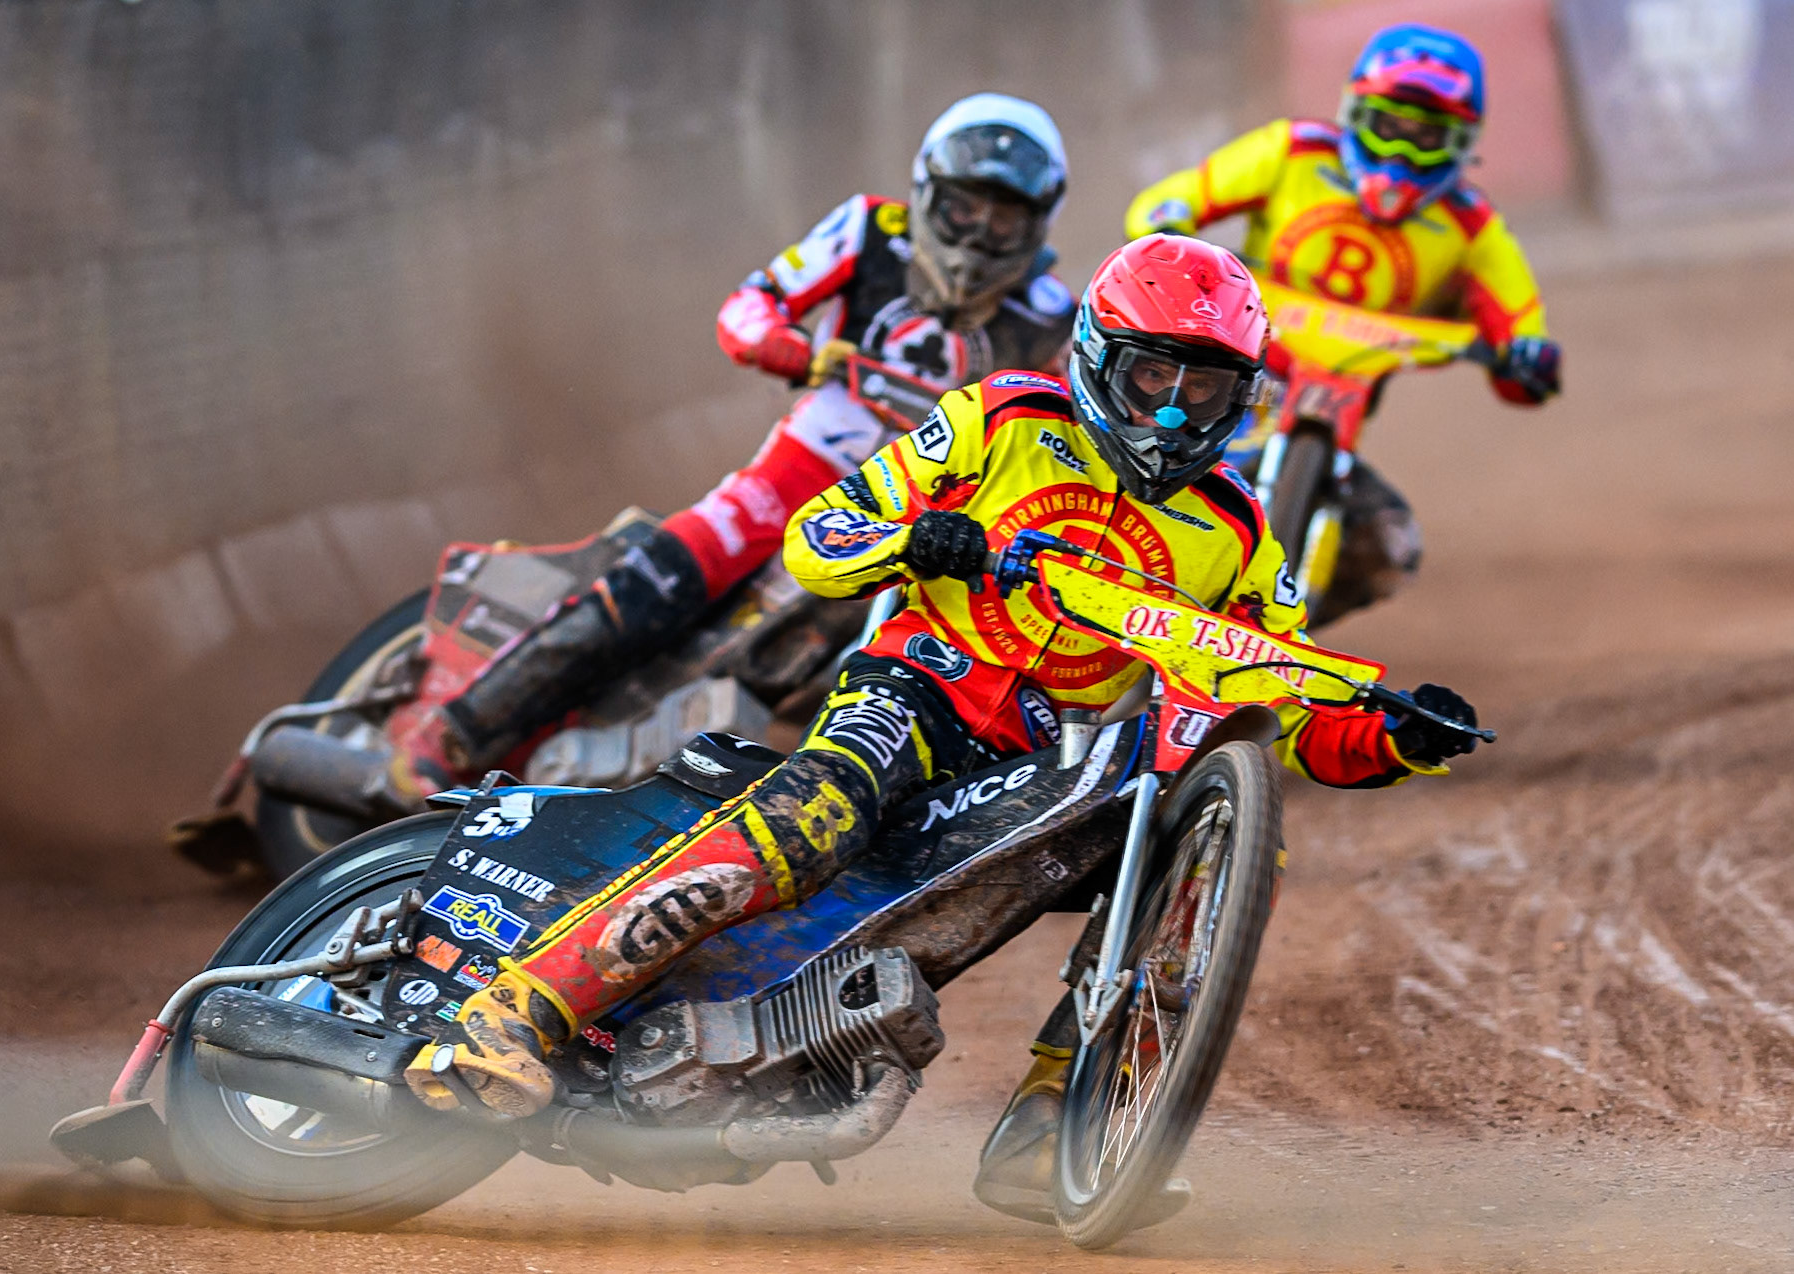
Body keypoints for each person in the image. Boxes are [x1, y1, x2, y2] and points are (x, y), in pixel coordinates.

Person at [403, 238, 1485, 1218]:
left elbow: (1284, 709)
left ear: (1242, 394)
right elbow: (824, 536)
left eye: (1204, 387)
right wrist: (922, 539)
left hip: (1034, 750)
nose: (1171, 412)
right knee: (815, 814)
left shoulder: (1241, 528)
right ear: (1101, 355)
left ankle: (1047, 1126)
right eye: (1153, 374)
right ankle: (519, 1006)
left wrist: (1389, 742)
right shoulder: (1001, 419)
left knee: (1183, 844)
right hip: (916, 683)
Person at [370, 94, 1078, 809]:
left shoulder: (1054, 316)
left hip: (915, 509)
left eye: (1004, 216)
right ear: (928, 193)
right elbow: (749, 307)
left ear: (1039, 219)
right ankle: (451, 734)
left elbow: (1065, 441)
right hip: (801, 467)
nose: (980, 234)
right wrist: (797, 353)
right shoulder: (870, 230)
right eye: (966, 208)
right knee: (674, 570)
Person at [1123, 22, 1561, 624]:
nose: (1401, 154)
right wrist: (1168, 219)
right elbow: (1171, 202)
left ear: (1460, 144)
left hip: (1335, 404)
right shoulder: (1292, 151)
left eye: (1425, 138)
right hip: (1226, 366)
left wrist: (1527, 355)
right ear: (1355, 113)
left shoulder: (1472, 227)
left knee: (1387, 546)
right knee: (1117, 432)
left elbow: (1522, 328)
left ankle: (1283, 633)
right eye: (1390, 126)